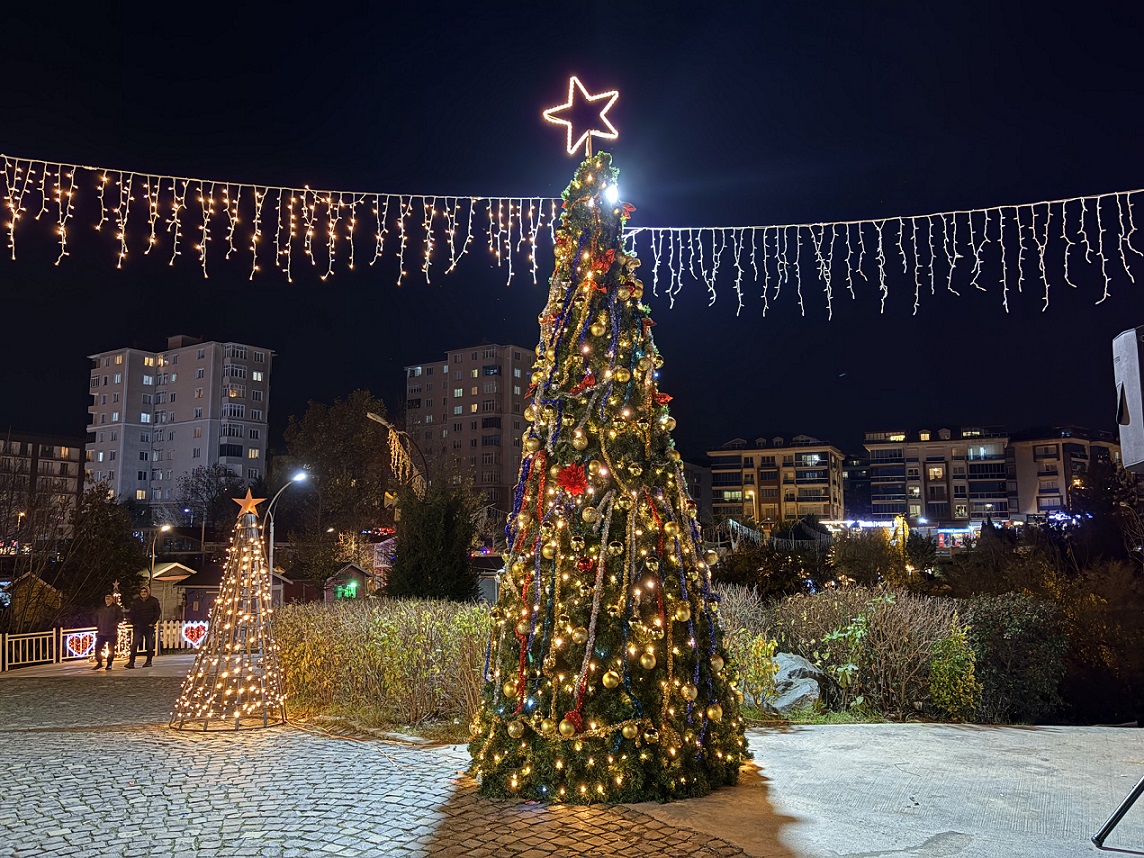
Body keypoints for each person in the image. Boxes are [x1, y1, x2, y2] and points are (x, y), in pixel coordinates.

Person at [125, 584, 162, 668]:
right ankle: (131, 662)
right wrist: (133, 622)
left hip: (148, 626)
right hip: (138, 626)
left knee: (149, 644)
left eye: (145, 591)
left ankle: (148, 661)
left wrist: (152, 623)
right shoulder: (136, 602)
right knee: (134, 644)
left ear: (148, 592)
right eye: (141, 592)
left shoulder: (153, 601)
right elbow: (132, 613)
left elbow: (157, 613)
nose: (143, 593)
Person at [91, 593, 123, 671]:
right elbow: (96, 616)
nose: (107, 599)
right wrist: (97, 624)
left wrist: (114, 624)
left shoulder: (116, 608)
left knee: (111, 649)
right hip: (101, 632)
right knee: (98, 648)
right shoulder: (101, 608)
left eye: (109, 597)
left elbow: (120, 617)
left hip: (112, 632)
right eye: (106, 598)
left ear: (112, 598)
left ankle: (109, 664)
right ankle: (99, 662)